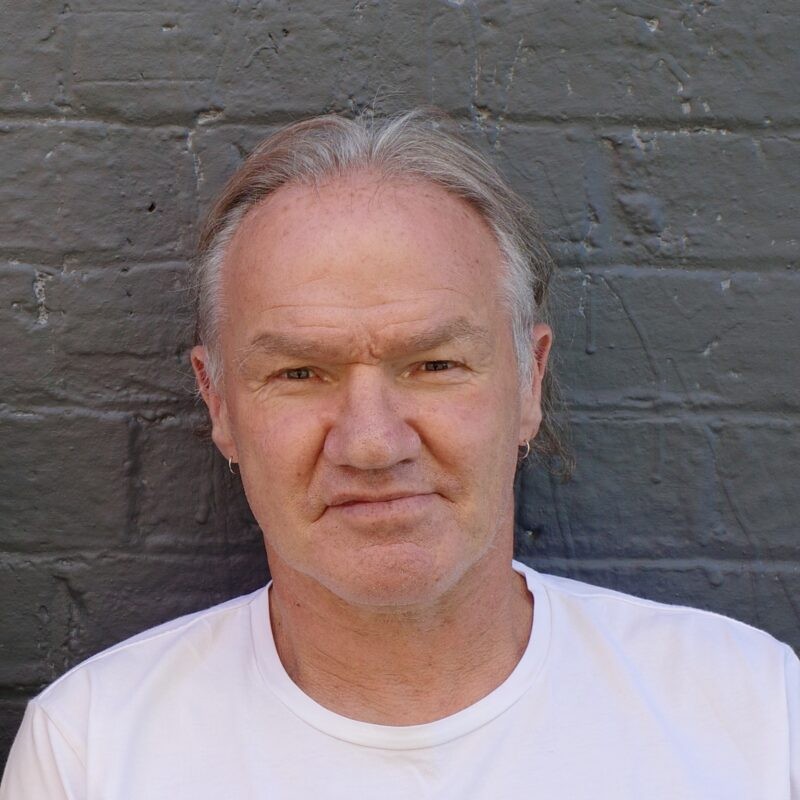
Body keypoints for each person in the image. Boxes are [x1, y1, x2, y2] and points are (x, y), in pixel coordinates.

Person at [1, 109, 797, 799]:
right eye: (299, 372)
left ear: (530, 382)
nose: (373, 443)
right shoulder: (92, 751)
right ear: (219, 405)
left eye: (435, 365)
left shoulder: (751, 714)